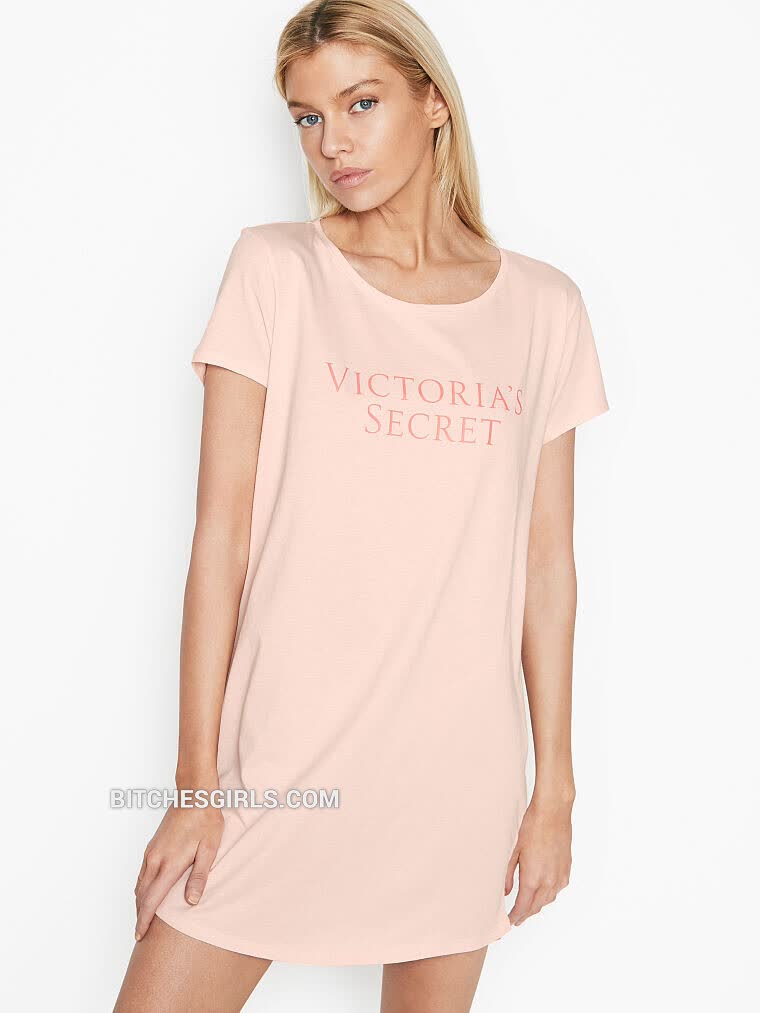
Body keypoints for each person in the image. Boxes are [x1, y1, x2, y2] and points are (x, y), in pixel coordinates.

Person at [114, 0, 610, 1009]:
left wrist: (553, 784)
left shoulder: (543, 308)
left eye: (361, 103)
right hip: (283, 769)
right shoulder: (276, 270)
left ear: (433, 102)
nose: (332, 142)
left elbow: (547, 565)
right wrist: (197, 788)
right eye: (308, 116)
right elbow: (220, 540)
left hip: (455, 782)